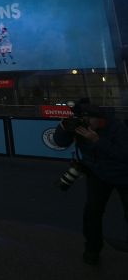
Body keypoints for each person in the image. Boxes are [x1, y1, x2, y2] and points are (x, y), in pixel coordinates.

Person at [53, 98, 128, 265]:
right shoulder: (81, 128)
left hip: (124, 176)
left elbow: (124, 155)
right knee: (92, 214)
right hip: (98, 174)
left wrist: (97, 141)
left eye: (88, 119)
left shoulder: (117, 128)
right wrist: (64, 128)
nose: (84, 123)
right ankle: (92, 250)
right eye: (81, 119)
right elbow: (59, 142)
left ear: (99, 118)